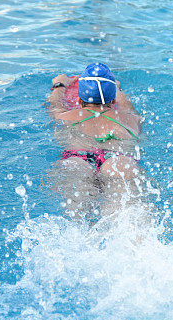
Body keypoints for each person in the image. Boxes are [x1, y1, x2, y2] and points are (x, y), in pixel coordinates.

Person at [46, 63, 145, 220]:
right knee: (129, 217)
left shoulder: (64, 117)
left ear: (79, 99)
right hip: (119, 161)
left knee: (77, 220)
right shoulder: (132, 120)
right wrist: (117, 88)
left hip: (78, 159)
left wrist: (59, 85)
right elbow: (126, 106)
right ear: (113, 100)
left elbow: (54, 105)